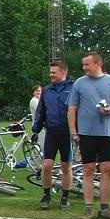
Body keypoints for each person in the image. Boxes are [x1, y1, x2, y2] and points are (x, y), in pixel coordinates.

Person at [67, 52, 110, 219]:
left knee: (107, 170)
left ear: (97, 64)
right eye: (83, 65)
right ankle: (88, 208)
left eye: (87, 64)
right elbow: (71, 109)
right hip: (86, 134)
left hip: (106, 133)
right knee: (88, 170)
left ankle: (105, 208)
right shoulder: (79, 83)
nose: (84, 67)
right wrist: (73, 131)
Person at [31, 61, 74, 210]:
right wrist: (36, 129)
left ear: (63, 72)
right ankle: (46, 195)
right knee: (47, 165)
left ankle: (65, 197)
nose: (51, 75)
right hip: (51, 132)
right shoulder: (47, 90)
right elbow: (41, 111)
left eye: (54, 72)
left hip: (67, 133)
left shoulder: (72, 88)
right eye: (50, 72)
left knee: (66, 166)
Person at [29, 85, 45, 152]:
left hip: (42, 125)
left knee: (42, 144)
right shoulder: (34, 101)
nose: (39, 92)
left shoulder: (39, 101)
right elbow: (40, 112)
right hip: (38, 125)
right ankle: (38, 161)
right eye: (37, 91)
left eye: (40, 91)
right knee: (41, 145)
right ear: (33, 92)